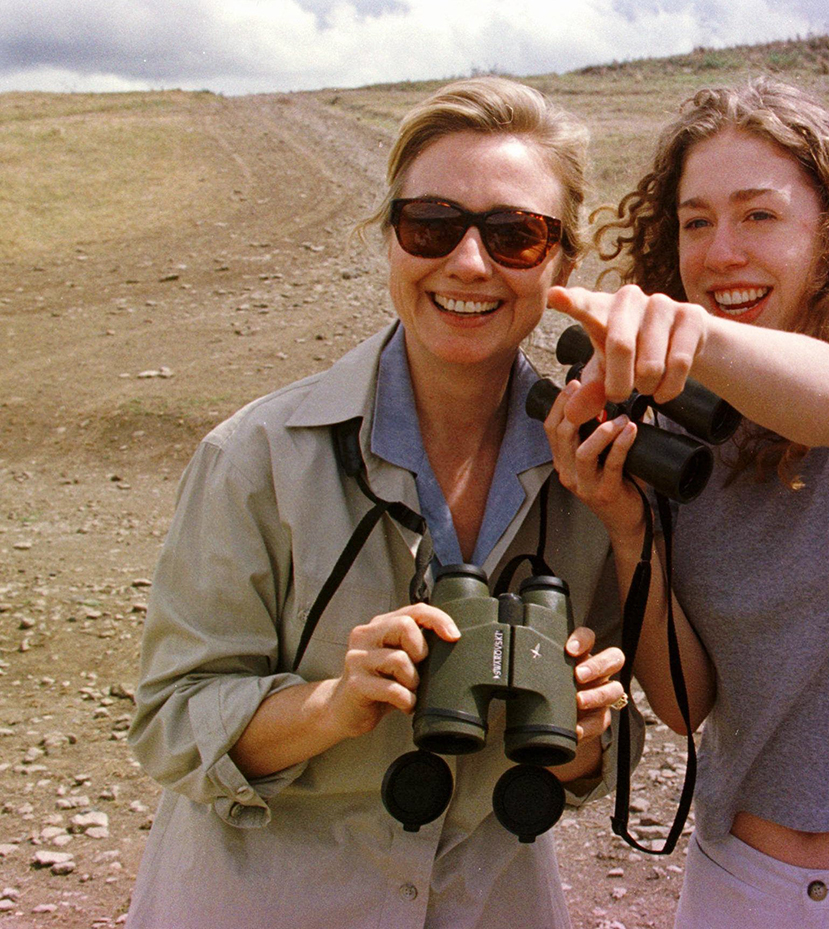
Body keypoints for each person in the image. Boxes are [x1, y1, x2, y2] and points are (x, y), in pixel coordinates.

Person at [126, 76, 642, 929]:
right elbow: (173, 719)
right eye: (431, 225)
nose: (468, 262)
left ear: (563, 265)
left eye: (515, 235)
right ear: (391, 238)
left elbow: (608, 747)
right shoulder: (256, 458)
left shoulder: (592, 478)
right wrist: (330, 706)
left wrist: (585, 739)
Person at [542, 76, 829, 927]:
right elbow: (684, 706)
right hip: (737, 885)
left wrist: (692, 334)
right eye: (696, 222)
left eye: (759, 216)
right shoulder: (682, 447)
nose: (721, 254)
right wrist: (628, 523)